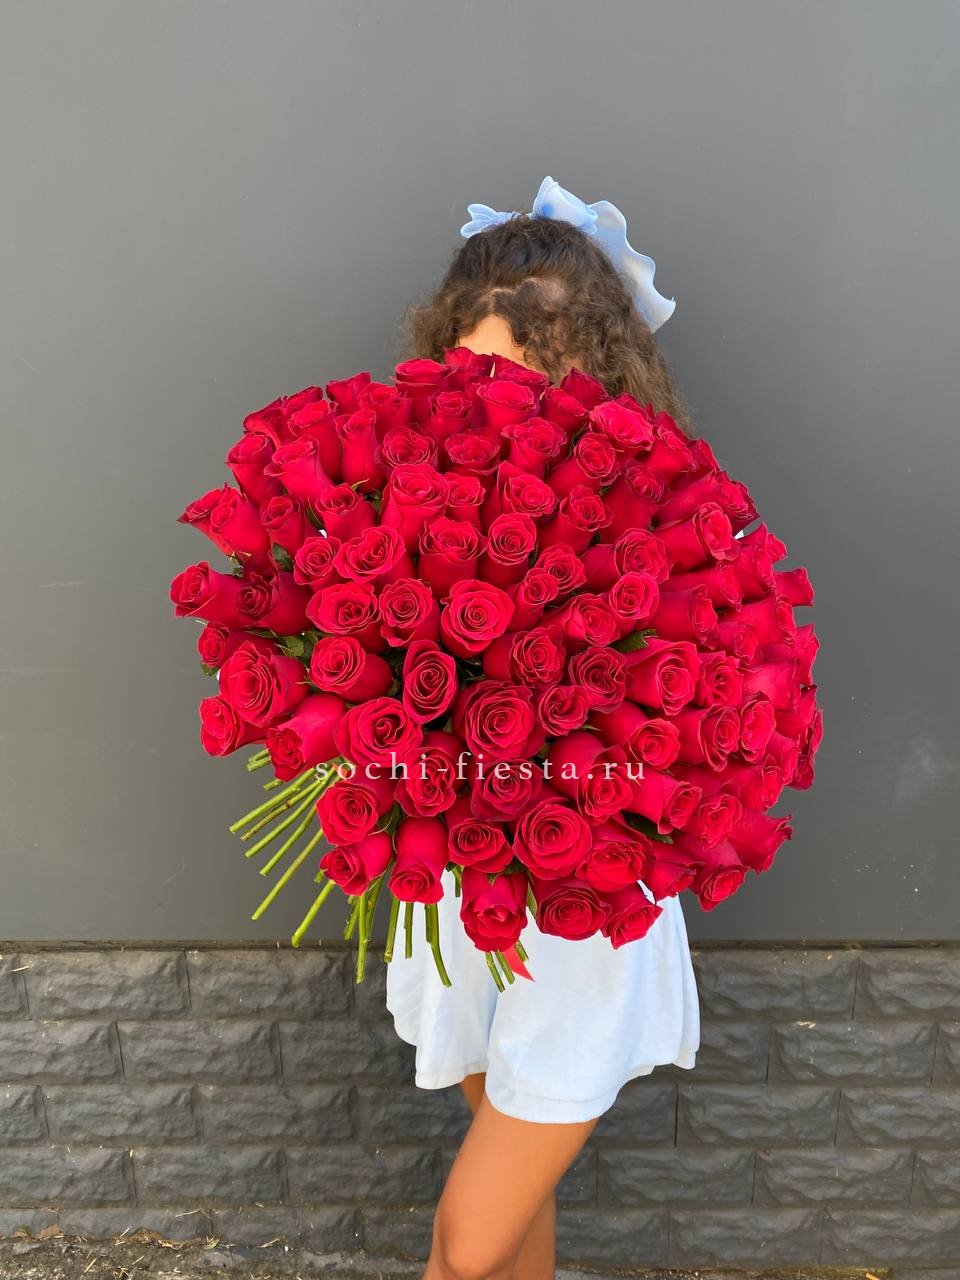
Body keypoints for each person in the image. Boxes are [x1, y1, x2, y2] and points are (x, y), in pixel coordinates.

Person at [386, 177, 701, 1280]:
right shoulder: (414, 494)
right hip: (468, 885)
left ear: (594, 371)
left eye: (534, 373)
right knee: (513, 1221)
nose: (501, 400)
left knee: (465, 1245)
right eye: (476, 371)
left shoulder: (656, 510)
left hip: (585, 900)